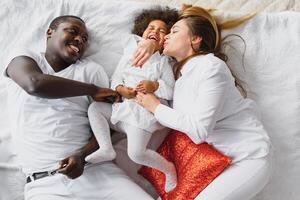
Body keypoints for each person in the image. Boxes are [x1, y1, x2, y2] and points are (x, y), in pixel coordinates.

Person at [3, 15, 154, 200]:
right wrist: (92, 90)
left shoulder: (90, 70)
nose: (79, 40)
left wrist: (82, 155)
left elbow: (110, 125)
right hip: (43, 184)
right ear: (50, 32)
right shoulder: (25, 57)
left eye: (84, 39)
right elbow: (34, 84)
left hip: (96, 172)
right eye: (73, 31)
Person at [135, 5, 272, 200]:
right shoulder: (179, 79)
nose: (166, 36)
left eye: (174, 31)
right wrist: (150, 43)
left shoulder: (211, 66)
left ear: (195, 39)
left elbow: (199, 130)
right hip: (212, 163)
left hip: (247, 158)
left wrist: (155, 107)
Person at [86, 6, 179, 192]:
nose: (155, 32)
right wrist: (121, 89)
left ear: (164, 42)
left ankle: (168, 169)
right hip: (122, 111)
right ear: (142, 33)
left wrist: (155, 86)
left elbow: (170, 91)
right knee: (95, 109)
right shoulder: (129, 54)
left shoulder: (163, 62)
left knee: (136, 153)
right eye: (151, 28)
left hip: (141, 117)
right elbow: (116, 79)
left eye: (162, 31)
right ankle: (106, 147)